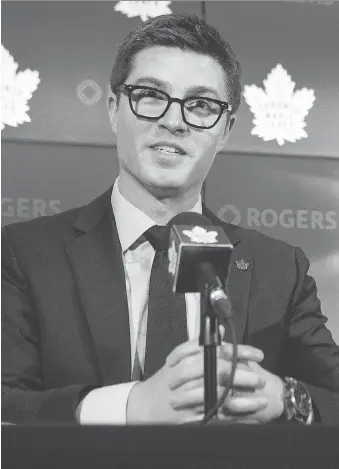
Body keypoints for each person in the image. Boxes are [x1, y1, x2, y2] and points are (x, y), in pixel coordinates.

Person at [2, 13, 339, 426]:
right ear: (114, 108)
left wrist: (287, 398)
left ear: (227, 129)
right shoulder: (25, 254)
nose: (174, 121)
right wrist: (129, 406)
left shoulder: (278, 269)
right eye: (151, 95)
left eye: (200, 105)